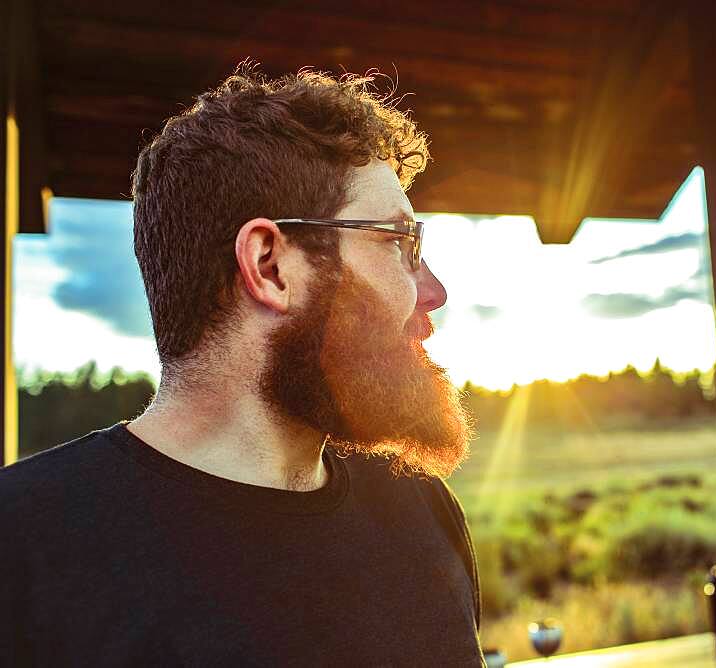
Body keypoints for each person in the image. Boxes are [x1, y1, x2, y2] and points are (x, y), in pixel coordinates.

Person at [0, 68, 483, 666]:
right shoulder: (21, 543)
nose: (433, 291)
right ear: (270, 266)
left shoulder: (420, 513)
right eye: (398, 242)